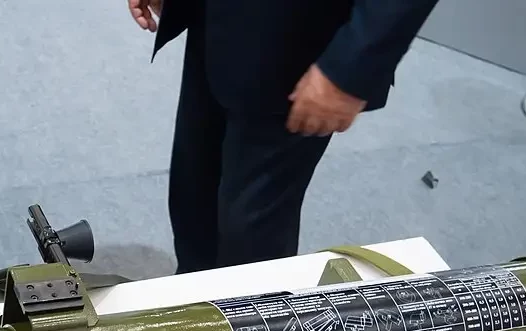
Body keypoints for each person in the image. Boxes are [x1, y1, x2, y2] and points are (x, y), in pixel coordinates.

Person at [129, 0, 440, 273]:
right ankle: (192, 302)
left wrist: (352, 66)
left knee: (251, 231)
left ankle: (252, 317)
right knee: (194, 193)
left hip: (299, 40)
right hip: (215, 19)